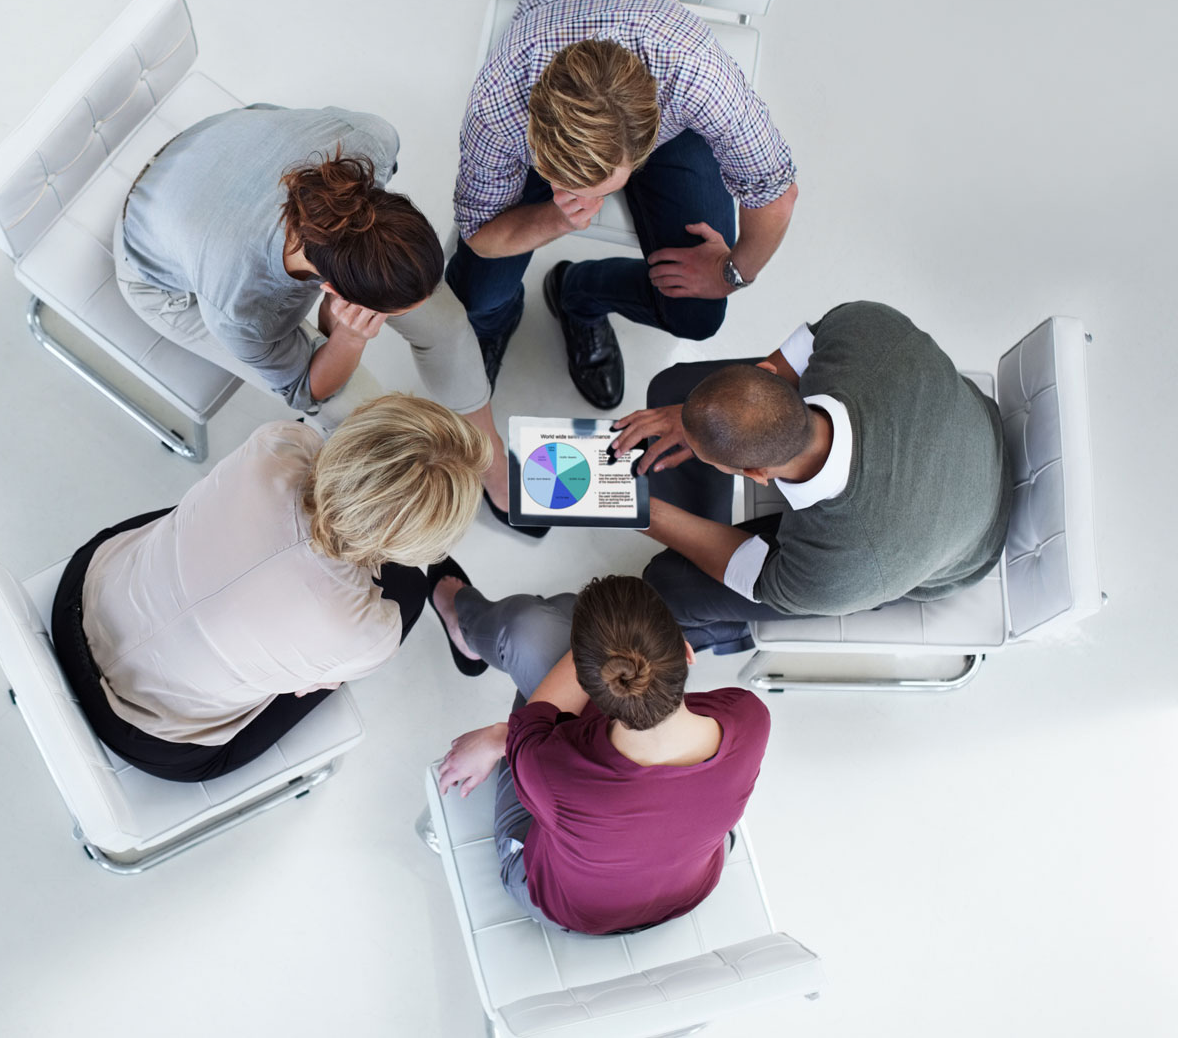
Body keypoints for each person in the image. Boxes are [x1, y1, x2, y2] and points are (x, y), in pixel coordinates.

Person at [115, 104, 518, 526]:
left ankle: (491, 461)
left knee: (444, 322)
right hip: (157, 263)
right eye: (383, 313)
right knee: (358, 412)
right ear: (332, 290)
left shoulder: (371, 139)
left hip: (211, 147)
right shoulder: (241, 308)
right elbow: (306, 390)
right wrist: (347, 338)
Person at [50, 396, 489, 783]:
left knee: (211, 519)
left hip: (79, 603)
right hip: (150, 737)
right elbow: (311, 682)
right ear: (415, 542)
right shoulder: (368, 634)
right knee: (409, 589)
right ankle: (425, 579)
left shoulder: (279, 443)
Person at [445, 0, 800, 411]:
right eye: (561, 179)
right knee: (477, 294)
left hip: (661, 94)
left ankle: (577, 295)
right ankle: (497, 322)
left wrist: (733, 271)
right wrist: (556, 217)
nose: (586, 199)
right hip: (546, 36)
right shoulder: (499, 101)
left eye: (601, 188)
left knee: (698, 316)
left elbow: (776, 193)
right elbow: (479, 231)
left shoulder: (696, 75)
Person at [608, 301, 1013, 653]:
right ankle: (698, 494)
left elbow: (760, 576)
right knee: (673, 388)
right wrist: (695, 418)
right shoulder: (863, 324)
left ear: (756, 474)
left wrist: (642, 512)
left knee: (668, 584)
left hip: (967, 540)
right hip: (973, 430)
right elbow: (783, 366)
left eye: (708, 458)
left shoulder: (838, 566)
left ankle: (726, 632)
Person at [432, 573, 770, 935]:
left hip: (565, 906)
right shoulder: (750, 718)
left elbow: (532, 723)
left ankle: (467, 623)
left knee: (531, 627)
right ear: (687, 652)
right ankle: (528, 617)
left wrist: (503, 736)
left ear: (588, 686)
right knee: (548, 621)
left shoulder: (552, 768)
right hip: (690, 887)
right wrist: (502, 737)